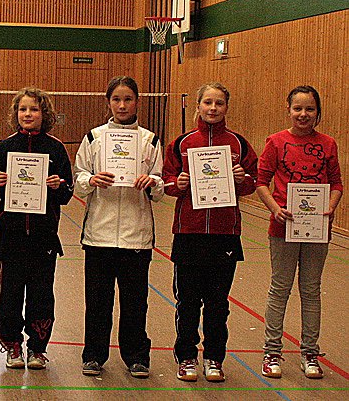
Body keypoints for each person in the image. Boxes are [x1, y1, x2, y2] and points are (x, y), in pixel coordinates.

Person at [162, 82, 257, 382]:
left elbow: (253, 182)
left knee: (218, 303)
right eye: (208, 103)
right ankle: (187, 357)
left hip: (224, 235)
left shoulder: (238, 144)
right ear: (198, 106)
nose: (213, 108)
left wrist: (242, 178)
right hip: (188, 233)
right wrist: (176, 184)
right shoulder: (182, 143)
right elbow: (166, 181)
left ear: (226, 107)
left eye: (219, 103)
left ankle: (214, 358)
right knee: (188, 302)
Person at [73, 76, 163, 378]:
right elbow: (79, 178)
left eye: (128, 99)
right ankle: (93, 355)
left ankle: (136, 356)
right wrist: (91, 179)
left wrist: (152, 182)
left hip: (136, 236)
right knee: (97, 301)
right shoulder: (94, 137)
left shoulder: (150, 140)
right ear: (108, 102)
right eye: (116, 99)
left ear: (137, 102)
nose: (122, 105)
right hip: (99, 234)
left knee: (135, 302)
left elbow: (160, 187)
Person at [0, 87, 73, 370]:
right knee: (10, 295)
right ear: (16, 113)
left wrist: (58, 185)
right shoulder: (5, 147)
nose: (28, 114)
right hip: (12, 238)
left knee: (41, 295)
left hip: (44, 238)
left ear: (45, 114)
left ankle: (37, 348)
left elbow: (67, 193)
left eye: (34, 109)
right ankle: (12, 345)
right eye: (23, 109)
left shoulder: (56, 148)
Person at [256, 86, 342, 379]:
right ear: (288, 109)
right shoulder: (276, 141)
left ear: (318, 112)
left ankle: (310, 353)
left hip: (316, 229)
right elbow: (261, 181)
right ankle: (272, 351)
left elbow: (336, 184)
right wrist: (275, 209)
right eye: (298, 108)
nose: (303, 114)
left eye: (310, 109)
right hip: (283, 227)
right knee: (280, 289)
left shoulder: (328, 144)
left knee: (311, 290)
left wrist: (330, 207)